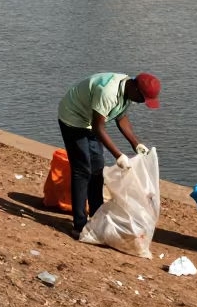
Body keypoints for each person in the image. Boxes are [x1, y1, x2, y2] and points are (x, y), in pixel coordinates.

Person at [57, 72, 161, 238]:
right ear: (135, 88)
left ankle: (97, 216)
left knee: (97, 168)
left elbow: (121, 117)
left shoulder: (128, 92)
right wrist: (118, 155)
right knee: (82, 169)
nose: (142, 102)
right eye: (143, 98)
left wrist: (136, 143)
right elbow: (98, 128)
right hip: (74, 118)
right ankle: (80, 225)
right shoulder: (108, 92)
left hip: (90, 121)